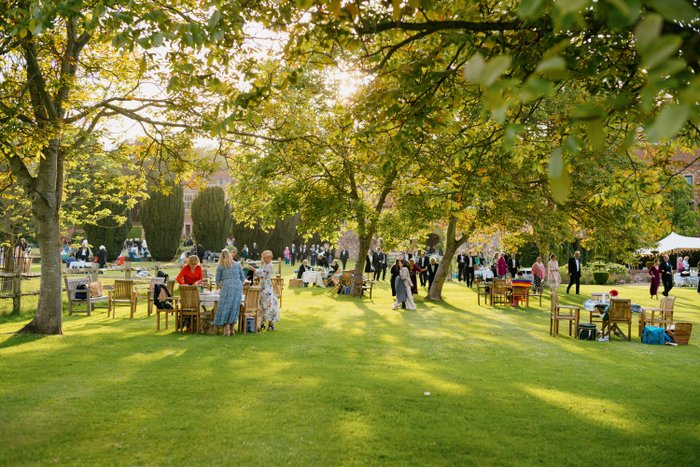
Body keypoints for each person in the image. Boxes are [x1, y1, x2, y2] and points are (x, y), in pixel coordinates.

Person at [213, 249, 246, 336]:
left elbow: (217, 281)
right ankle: (232, 329)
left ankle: (227, 329)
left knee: (225, 307)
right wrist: (238, 284)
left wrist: (219, 285)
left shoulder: (220, 266)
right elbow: (243, 278)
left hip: (227, 287)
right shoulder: (237, 264)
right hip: (238, 287)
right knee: (235, 307)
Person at [247, 250, 280, 331]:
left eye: (264, 257)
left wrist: (253, 269)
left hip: (267, 287)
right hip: (262, 286)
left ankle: (270, 324)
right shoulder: (264, 264)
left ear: (268, 258)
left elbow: (263, 274)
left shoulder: (270, 265)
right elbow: (260, 273)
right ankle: (261, 323)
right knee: (262, 304)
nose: (263, 259)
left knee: (269, 304)